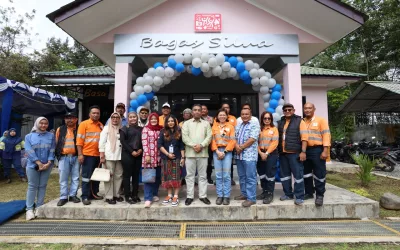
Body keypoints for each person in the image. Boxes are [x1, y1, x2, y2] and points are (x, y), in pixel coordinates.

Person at [24, 117, 55, 220]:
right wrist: (38, 162)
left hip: (47, 165)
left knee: (42, 186)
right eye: (41, 123)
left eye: (45, 123)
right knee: (32, 186)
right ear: (37, 124)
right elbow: (28, 150)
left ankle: (39, 207)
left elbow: (52, 149)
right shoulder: (29, 136)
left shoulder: (51, 136)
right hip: (33, 165)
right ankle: (29, 209)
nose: (43, 125)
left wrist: (49, 162)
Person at [277, 103, 308, 205]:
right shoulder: (281, 122)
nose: (287, 112)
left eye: (289, 110)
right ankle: (288, 194)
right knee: (285, 175)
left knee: (298, 175)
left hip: (295, 153)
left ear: (293, 110)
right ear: (283, 111)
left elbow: (304, 138)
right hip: (283, 154)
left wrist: (303, 152)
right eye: (285, 110)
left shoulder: (299, 121)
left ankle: (299, 196)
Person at [182, 104, 212, 206]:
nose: (197, 111)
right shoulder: (186, 124)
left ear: (201, 112)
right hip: (190, 153)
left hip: (203, 154)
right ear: (192, 112)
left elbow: (209, 137)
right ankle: (190, 196)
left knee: (203, 176)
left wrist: (201, 145)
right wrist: (195, 146)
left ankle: (202, 196)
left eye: (199, 110)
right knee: (189, 176)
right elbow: (184, 137)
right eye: (195, 110)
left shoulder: (206, 123)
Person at [303, 102, 331, 206]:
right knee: (306, 173)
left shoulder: (321, 120)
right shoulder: (302, 122)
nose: (307, 110)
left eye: (310, 108)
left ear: (314, 109)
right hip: (306, 150)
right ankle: (309, 192)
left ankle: (320, 195)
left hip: (317, 150)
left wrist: (325, 151)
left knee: (319, 173)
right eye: (305, 108)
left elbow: (326, 135)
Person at [76, 105, 104, 205]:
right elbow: (79, 141)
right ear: (89, 114)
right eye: (94, 113)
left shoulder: (101, 125)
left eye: (97, 113)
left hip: (97, 155)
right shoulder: (84, 124)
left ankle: (94, 194)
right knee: (86, 177)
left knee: (96, 176)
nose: (96, 115)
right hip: (87, 155)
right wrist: (80, 154)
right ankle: (85, 196)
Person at [234, 108, 260, 207]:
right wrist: (236, 146)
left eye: (246, 114)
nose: (244, 116)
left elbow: (253, 139)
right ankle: (244, 194)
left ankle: (251, 198)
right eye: (243, 114)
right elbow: (234, 137)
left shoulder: (254, 125)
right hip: (239, 155)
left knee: (250, 177)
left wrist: (241, 147)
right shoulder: (239, 125)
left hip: (249, 156)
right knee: (242, 177)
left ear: (250, 115)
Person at [158, 115, 185, 207]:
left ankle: (176, 196)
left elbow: (182, 146)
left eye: (172, 121)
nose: (170, 123)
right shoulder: (162, 132)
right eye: (168, 121)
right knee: (167, 177)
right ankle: (169, 195)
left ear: (175, 122)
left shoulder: (179, 132)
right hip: (166, 158)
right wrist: (167, 154)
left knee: (176, 177)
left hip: (177, 158)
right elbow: (160, 145)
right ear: (166, 122)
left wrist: (183, 157)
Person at [211, 108, 236, 205]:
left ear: (227, 116)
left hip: (227, 152)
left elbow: (232, 140)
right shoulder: (214, 127)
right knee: (218, 175)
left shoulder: (231, 126)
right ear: (217, 116)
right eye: (220, 115)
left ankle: (226, 196)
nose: (222, 116)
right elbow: (212, 140)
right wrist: (217, 151)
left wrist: (224, 152)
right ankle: (219, 196)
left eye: (224, 115)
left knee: (226, 175)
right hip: (216, 152)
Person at [55, 112, 80, 206]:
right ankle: (63, 197)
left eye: (72, 118)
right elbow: (57, 143)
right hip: (63, 157)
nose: (69, 120)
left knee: (75, 177)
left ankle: (73, 195)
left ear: (76, 119)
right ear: (65, 120)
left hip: (76, 157)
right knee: (63, 178)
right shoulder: (60, 129)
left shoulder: (79, 129)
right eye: (67, 118)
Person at [99, 112, 124, 205]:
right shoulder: (106, 129)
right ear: (110, 118)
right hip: (109, 156)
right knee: (109, 176)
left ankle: (116, 195)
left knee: (118, 176)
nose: (115, 119)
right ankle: (109, 196)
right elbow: (102, 142)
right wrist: (102, 155)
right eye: (113, 117)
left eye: (117, 117)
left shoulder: (122, 129)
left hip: (120, 156)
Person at [120, 111, 143, 204]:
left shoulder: (141, 129)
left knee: (136, 176)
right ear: (128, 118)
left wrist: (141, 149)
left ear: (137, 118)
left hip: (138, 154)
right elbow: (123, 141)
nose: (133, 118)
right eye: (131, 117)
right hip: (127, 154)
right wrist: (132, 151)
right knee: (127, 176)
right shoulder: (124, 129)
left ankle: (135, 194)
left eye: (134, 117)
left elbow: (143, 140)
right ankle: (127, 195)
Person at [257, 111, 279, 204]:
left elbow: (274, 143)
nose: (267, 120)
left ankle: (270, 193)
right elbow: (255, 142)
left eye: (268, 118)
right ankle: (264, 191)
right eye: (265, 118)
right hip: (260, 153)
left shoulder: (274, 129)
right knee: (261, 174)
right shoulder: (259, 129)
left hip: (271, 154)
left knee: (270, 174)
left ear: (271, 119)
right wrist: (260, 153)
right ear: (262, 119)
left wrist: (266, 153)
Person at [142, 113, 163, 208]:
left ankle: (154, 194)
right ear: (149, 120)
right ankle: (147, 198)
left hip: (159, 157)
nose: (154, 120)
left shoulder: (160, 129)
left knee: (157, 178)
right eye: (152, 119)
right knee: (148, 178)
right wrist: (147, 154)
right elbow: (144, 142)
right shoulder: (146, 129)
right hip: (149, 158)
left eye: (155, 119)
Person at [219, 102, 237, 186]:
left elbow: (236, 130)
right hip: (219, 146)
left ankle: (230, 178)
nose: (226, 109)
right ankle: (220, 180)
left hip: (230, 145)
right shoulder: (218, 118)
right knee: (219, 166)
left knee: (229, 164)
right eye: (224, 107)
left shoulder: (233, 118)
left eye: (228, 107)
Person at [201, 105, 214, 184]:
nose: (203, 110)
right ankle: (201, 178)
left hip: (209, 143)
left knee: (209, 161)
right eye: (201, 109)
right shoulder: (196, 119)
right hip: (199, 143)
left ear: (207, 110)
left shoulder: (211, 119)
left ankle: (208, 177)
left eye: (205, 109)